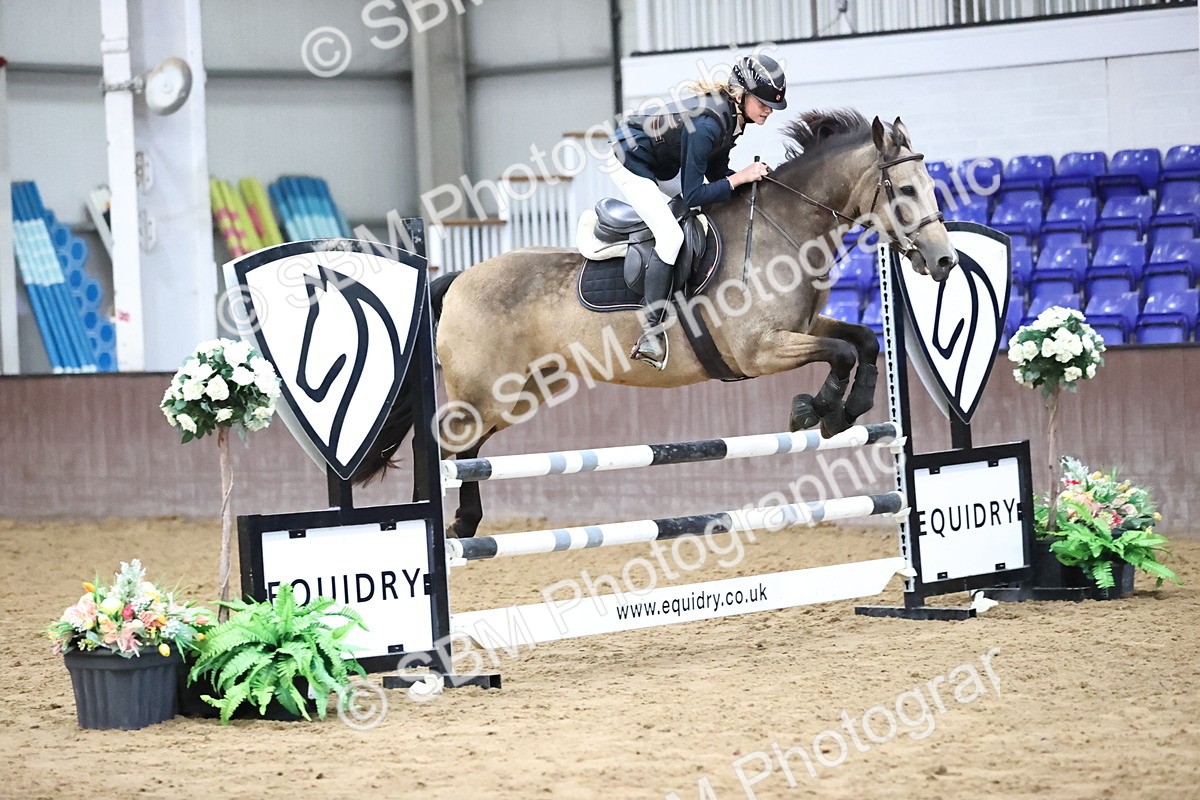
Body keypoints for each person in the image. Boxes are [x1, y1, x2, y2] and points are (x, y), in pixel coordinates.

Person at [608, 54, 787, 370]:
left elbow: (718, 176)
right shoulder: (708, 125)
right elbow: (693, 193)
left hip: (660, 162)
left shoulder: (732, 119)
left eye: (770, 105)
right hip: (630, 159)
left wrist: (753, 185)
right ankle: (651, 332)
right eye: (762, 102)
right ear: (741, 94)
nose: (768, 110)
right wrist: (741, 177)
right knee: (670, 236)